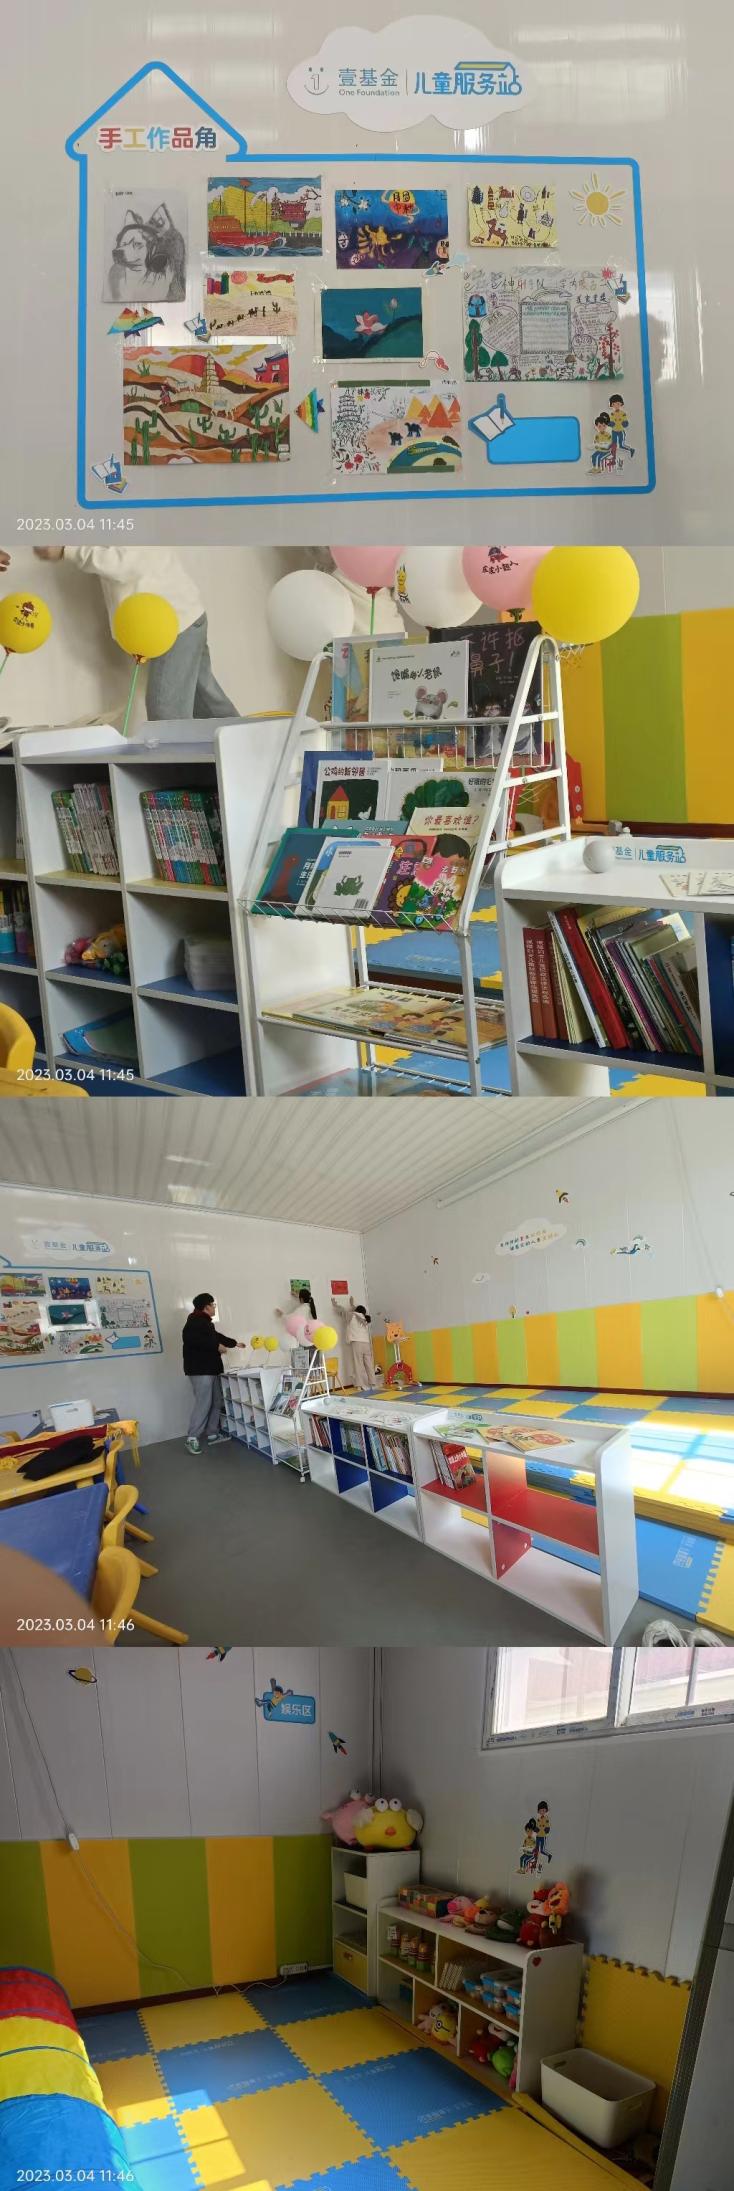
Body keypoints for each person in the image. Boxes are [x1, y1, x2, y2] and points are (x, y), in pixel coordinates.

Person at [32, 547, 238, 721]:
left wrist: (67, 550)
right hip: (177, 617)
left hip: (174, 622)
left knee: (166, 713)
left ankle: (240, 745)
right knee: (208, 703)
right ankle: (249, 744)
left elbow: (125, 562)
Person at [182, 1292, 243, 1454]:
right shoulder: (194, 1322)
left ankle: (212, 1433)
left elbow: (216, 1337)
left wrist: (234, 1343)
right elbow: (195, 1341)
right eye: (213, 1305)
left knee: (216, 1401)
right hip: (200, 1370)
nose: (215, 1307)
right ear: (206, 1307)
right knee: (203, 1403)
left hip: (211, 1369)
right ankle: (192, 1438)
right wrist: (216, 1347)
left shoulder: (205, 1323)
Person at [107, 205, 186, 303]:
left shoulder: (172, 290)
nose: (121, 249)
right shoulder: (114, 279)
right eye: (124, 244)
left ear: (154, 255)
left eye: (137, 244)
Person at [333, 1294, 375, 1392]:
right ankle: (372, 1383)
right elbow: (357, 1311)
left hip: (357, 1343)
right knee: (369, 1364)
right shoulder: (365, 1319)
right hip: (366, 1343)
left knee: (358, 1364)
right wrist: (352, 1304)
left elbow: (342, 1311)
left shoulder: (351, 1315)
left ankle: (359, 1385)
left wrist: (335, 1305)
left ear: (356, 1310)